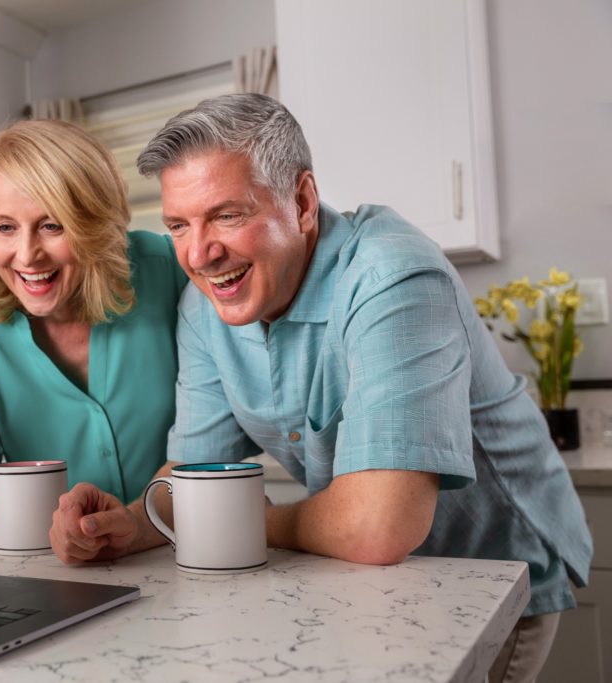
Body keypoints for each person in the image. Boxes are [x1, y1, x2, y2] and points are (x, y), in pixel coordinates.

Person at [50, 93, 592, 682]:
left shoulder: (393, 276)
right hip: (376, 578)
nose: (199, 253)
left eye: (227, 215)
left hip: (493, 565)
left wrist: (239, 522)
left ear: (302, 201)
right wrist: (132, 527)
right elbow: (192, 472)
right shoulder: (204, 307)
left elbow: (379, 525)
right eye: (179, 225)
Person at [0, 119, 187, 536]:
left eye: (52, 225)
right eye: (5, 227)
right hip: (49, 564)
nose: (27, 255)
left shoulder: (167, 270)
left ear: (93, 223)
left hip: (181, 541)